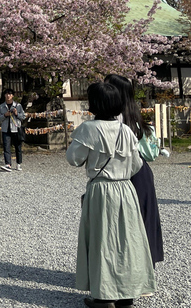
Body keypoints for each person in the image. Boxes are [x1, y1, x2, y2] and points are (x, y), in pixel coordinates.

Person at [66, 82, 155, 307]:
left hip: (101, 189)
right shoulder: (126, 130)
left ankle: (103, 295)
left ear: (94, 104)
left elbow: (73, 159)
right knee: (127, 240)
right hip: (126, 189)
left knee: (102, 239)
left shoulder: (88, 129)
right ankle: (127, 293)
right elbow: (136, 164)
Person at [105, 74, 164, 266]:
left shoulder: (114, 119)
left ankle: (131, 270)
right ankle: (145, 269)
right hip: (141, 173)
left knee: (125, 223)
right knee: (142, 219)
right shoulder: (134, 115)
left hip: (125, 174)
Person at [0, 88, 25, 172]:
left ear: (12, 95)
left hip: (16, 129)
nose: (8, 96)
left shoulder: (18, 106)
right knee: (6, 147)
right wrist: (5, 115)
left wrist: (16, 113)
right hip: (6, 129)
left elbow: (23, 117)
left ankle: (18, 164)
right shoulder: (1, 106)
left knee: (18, 147)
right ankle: (8, 164)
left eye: (10, 94)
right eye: (6, 94)